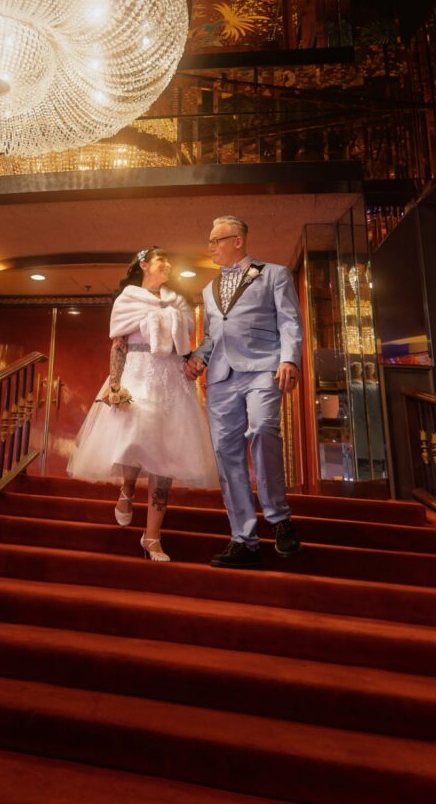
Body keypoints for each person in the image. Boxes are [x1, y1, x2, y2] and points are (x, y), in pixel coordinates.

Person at [69, 246, 218, 562]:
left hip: (172, 379)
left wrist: (193, 364)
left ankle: (152, 536)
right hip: (137, 373)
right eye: (162, 259)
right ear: (145, 264)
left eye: (169, 260)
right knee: (134, 438)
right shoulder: (127, 299)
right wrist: (114, 382)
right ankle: (127, 489)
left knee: (167, 456)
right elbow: (119, 345)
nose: (167, 264)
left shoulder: (178, 302)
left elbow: (184, 347)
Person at [185, 215, 303, 567]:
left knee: (264, 429)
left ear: (237, 240)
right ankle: (243, 538)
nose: (211, 247)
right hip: (221, 377)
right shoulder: (208, 290)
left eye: (216, 240)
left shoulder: (274, 274)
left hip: (263, 368)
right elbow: (210, 337)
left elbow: (289, 320)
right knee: (225, 452)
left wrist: (290, 359)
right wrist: (197, 359)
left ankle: (279, 519)